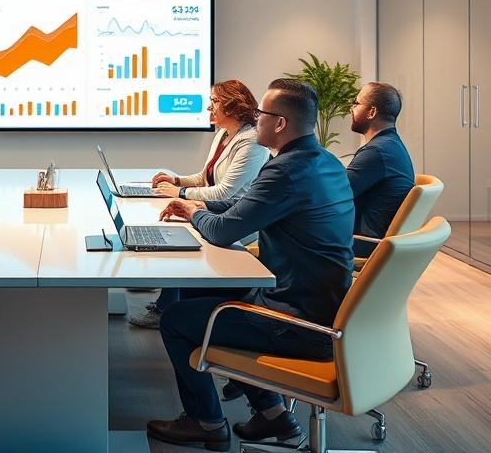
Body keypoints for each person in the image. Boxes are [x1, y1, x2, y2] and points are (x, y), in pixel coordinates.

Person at [147, 79, 354, 451]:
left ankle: (206, 423)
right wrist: (198, 209)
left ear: (279, 124)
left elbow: (225, 232)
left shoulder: (285, 173)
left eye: (260, 114)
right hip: (318, 307)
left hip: (296, 321)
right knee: (201, 290)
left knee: (176, 320)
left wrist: (194, 211)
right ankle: (274, 416)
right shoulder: (321, 161)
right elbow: (242, 211)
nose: (254, 119)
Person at [128, 80, 270, 329]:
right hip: (216, 208)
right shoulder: (224, 135)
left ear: (233, 104)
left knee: (182, 238)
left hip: (235, 217)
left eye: (214, 102)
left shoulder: (251, 142)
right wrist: (176, 179)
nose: (209, 108)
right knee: (176, 230)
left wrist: (180, 192)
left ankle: (166, 309)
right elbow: (206, 177)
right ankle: (166, 304)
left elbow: (225, 191)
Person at [348, 82, 415, 241]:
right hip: (370, 237)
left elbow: (333, 193)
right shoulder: (391, 145)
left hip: (363, 241)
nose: (351, 108)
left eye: (356, 103)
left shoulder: (377, 152)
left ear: (371, 112)